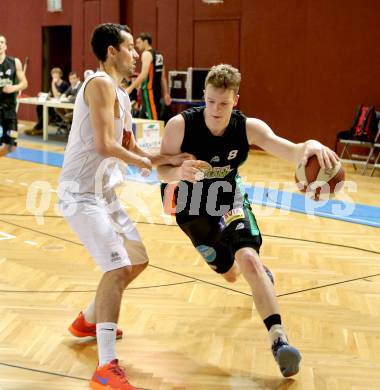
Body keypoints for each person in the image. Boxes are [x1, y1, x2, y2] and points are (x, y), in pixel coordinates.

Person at [157, 64, 340, 378]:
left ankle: (279, 340)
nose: (216, 110)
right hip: (191, 206)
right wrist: (177, 173)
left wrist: (308, 145)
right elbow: (161, 169)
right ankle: (249, 272)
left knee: (249, 261)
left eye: (224, 103)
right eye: (211, 101)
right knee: (230, 274)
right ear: (203, 96)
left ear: (235, 100)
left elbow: (291, 150)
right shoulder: (179, 125)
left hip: (229, 197)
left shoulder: (247, 128)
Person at [58, 23, 192, 390]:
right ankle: (105, 367)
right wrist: (149, 165)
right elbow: (103, 145)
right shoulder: (99, 84)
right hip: (80, 194)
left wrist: (167, 159)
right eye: (130, 47)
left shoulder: (120, 95)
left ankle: (88, 319)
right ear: (112, 52)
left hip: (104, 195)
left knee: (137, 260)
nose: (136, 53)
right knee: (117, 268)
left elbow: (131, 147)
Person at [126, 32, 171, 120]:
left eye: (138, 42)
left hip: (149, 91)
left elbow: (144, 74)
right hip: (156, 91)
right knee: (142, 117)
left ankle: (157, 133)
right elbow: (163, 77)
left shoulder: (146, 54)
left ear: (145, 41)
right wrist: (166, 94)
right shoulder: (159, 55)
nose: (137, 45)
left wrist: (130, 88)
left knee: (153, 119)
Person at [0, 34, 28, 157]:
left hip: (9, 110)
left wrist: (14, 88)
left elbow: (25, 83)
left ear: (5, 45)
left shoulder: (14, 62)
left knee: (11, 146)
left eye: (1, 42)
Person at [27, 67, 69, 135]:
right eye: (53, 74)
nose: (54, 76)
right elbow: (50, 94)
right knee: (39, 107)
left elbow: (56, 95)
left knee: (45, 108)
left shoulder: (64, 84)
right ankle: (40, 126)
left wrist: (52, 84)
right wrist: (43, 95)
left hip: (59, 107)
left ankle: (38, 127)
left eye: (56, 74)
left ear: (60, 75)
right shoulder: (54, 84)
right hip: (52, 104)